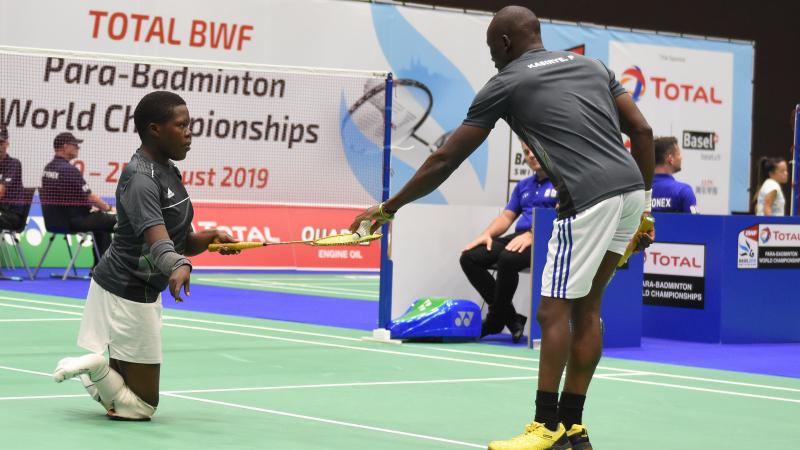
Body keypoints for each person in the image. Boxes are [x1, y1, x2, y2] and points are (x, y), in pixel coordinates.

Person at [349, 6, 654, 450]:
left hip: (585, 199)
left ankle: (545, 425)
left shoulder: (506, 82)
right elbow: (643, 131)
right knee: (589, 310)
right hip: (629, 192)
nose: (491, 57)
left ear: (506, 43)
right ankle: (573, 427)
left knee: (552, 312)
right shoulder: (593, 66)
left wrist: (389, 207)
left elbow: (445, 159)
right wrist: (644, 209)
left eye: (492, 47)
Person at [52, 91, 240, 420]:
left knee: (128, 394)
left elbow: (176, 240)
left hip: (138, 290)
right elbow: (158, 242)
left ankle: (99, 369)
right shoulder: (141, 179)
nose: (189, 132)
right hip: (124, 292)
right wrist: (178, 264)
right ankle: (95, 369)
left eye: (189, 125)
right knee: (140, 407)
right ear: (155, 129)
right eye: (181, 125)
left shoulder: (167, 171)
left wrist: (206, 239)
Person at [460, 140, 557, 343]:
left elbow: (564, 215)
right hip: (520, 237)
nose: (531, 155)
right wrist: (486, 234)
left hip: (547, 239)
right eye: (526, 151)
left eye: (535, 150)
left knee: (507, 259)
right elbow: (506, 218)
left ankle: (495, 320)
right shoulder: (523, 186)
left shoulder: (563, 182)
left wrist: (534, 233)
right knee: (470, 257)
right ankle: (511, 318)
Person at [40, 132, 117, 267]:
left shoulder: (48, 169)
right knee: (117, 221)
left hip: (55, 221)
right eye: (75, 145)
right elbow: (91, 197)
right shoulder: (69, 170)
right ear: (65, 146)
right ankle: (111, 268)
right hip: (74, 221)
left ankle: (99, 266)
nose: (78, 148)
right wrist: (110, 209)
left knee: (100, 224)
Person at [651, 136, 698, 213]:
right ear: (670, 158)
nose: (681, 158)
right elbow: (695, 223)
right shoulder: (683, 191)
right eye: (678, 154)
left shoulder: (641, 191)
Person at [0, 127, 27, 230]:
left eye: (1, 143)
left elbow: (1, 191)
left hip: (11, 214)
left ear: (7, 143)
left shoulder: (14, 164)